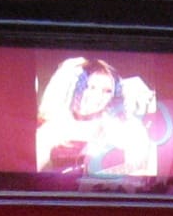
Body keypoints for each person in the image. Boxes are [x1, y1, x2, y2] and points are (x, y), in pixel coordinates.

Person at [34, 56, 163, 179]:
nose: (97, 96)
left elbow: (142, 172)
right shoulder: (50, 130)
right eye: (90, 87)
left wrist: (97, 179)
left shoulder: (127, 127)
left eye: (107, 91)